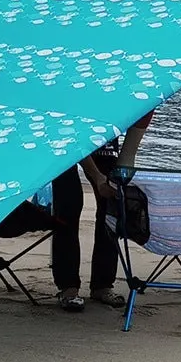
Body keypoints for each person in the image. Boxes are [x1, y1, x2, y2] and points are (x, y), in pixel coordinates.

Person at [52, 110, 156, 311]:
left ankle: (102, 285)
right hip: (66, 136)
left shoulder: (146, 105)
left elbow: (128, 155)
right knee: (69, 205)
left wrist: (118, 181)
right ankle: (67, 287)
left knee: (111, 207)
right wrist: (97, 177)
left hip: (103, 142)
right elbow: (76, 142)